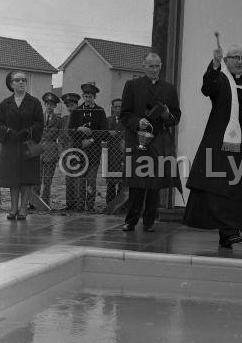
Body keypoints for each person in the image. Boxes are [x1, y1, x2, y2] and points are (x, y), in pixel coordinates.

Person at [183, 44, 242, 248]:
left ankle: (228, 233)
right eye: (235, 57)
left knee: (239, 189)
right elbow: (207, 88)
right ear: (227, 60)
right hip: (221, 144)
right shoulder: (219, 78)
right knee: (219, 187)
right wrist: (214, 64)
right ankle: (229, 231)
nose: (240, 61)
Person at [120, 52, 182, 231]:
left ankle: (149, 222)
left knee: (154, 184)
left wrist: (166, 115)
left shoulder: (169, 89)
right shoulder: (132, 86)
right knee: (137, 183)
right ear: (144, 67)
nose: (155, 70)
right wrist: (137, 122)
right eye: (151, 66)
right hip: (137, 140)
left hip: (159, 143)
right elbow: (124, 114)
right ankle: (130, 220)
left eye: (158, 66)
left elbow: (175, 117)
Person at [0, 71, 43, 220]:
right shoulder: (5, 103)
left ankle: (23, 209)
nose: (21, 82)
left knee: (26, 178)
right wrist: (8, 132)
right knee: (13, 179)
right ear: (11, 84)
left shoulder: (35, 103)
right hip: (10, 146)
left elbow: (40, 123)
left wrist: (27, 132)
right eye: (17, 80)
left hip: (27, 145)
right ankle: (13, 208)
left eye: (24, 80)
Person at [67, 83, 108, 212]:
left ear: (94, 97)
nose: (87, 99)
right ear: (83, 96)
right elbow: (70, 131)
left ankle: (90, 205)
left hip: (94, 151)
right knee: (80, 180)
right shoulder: (76, 111)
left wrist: (91, 139)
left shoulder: (100, 111)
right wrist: (79, 129)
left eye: (90, 96)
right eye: (85, 96)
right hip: (79, 151)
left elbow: (104, 131)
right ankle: (79, 205)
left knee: (91, 180)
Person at [38, 92, 62, 205]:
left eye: (52, 105)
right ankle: (35, 202)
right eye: (48, 104)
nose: (50, 107)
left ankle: (45, 202)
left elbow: (60, 137)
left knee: (48, 180)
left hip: (51, 150)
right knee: (36, 178)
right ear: (44, 104)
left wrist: (58, 153)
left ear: (55, 106)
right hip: (38, 151)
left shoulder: (58, 120)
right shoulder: (38, 117)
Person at [59, 92, 81, 210]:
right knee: (68, 179)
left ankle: (78, 204)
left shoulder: (81, 118)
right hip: (67, 154)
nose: (70, 108)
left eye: (72, 105)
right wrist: (63, 153)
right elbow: (61, 138)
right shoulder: (64, 120)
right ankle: (69, 204)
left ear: (77, 105)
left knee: (78, 179)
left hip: (79, 153)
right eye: (68, 106)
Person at [106, 97, 125, 206]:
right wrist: (108, 133)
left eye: (120, 107)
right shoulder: (108, 120)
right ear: (112, 108)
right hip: (111, 154)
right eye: (116, 107)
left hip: (122, 154)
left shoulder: (127, 120)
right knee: (111, 181)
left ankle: (120, 204)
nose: (118, 109)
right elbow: (103, 134)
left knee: (122, 180)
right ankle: (110, 204)